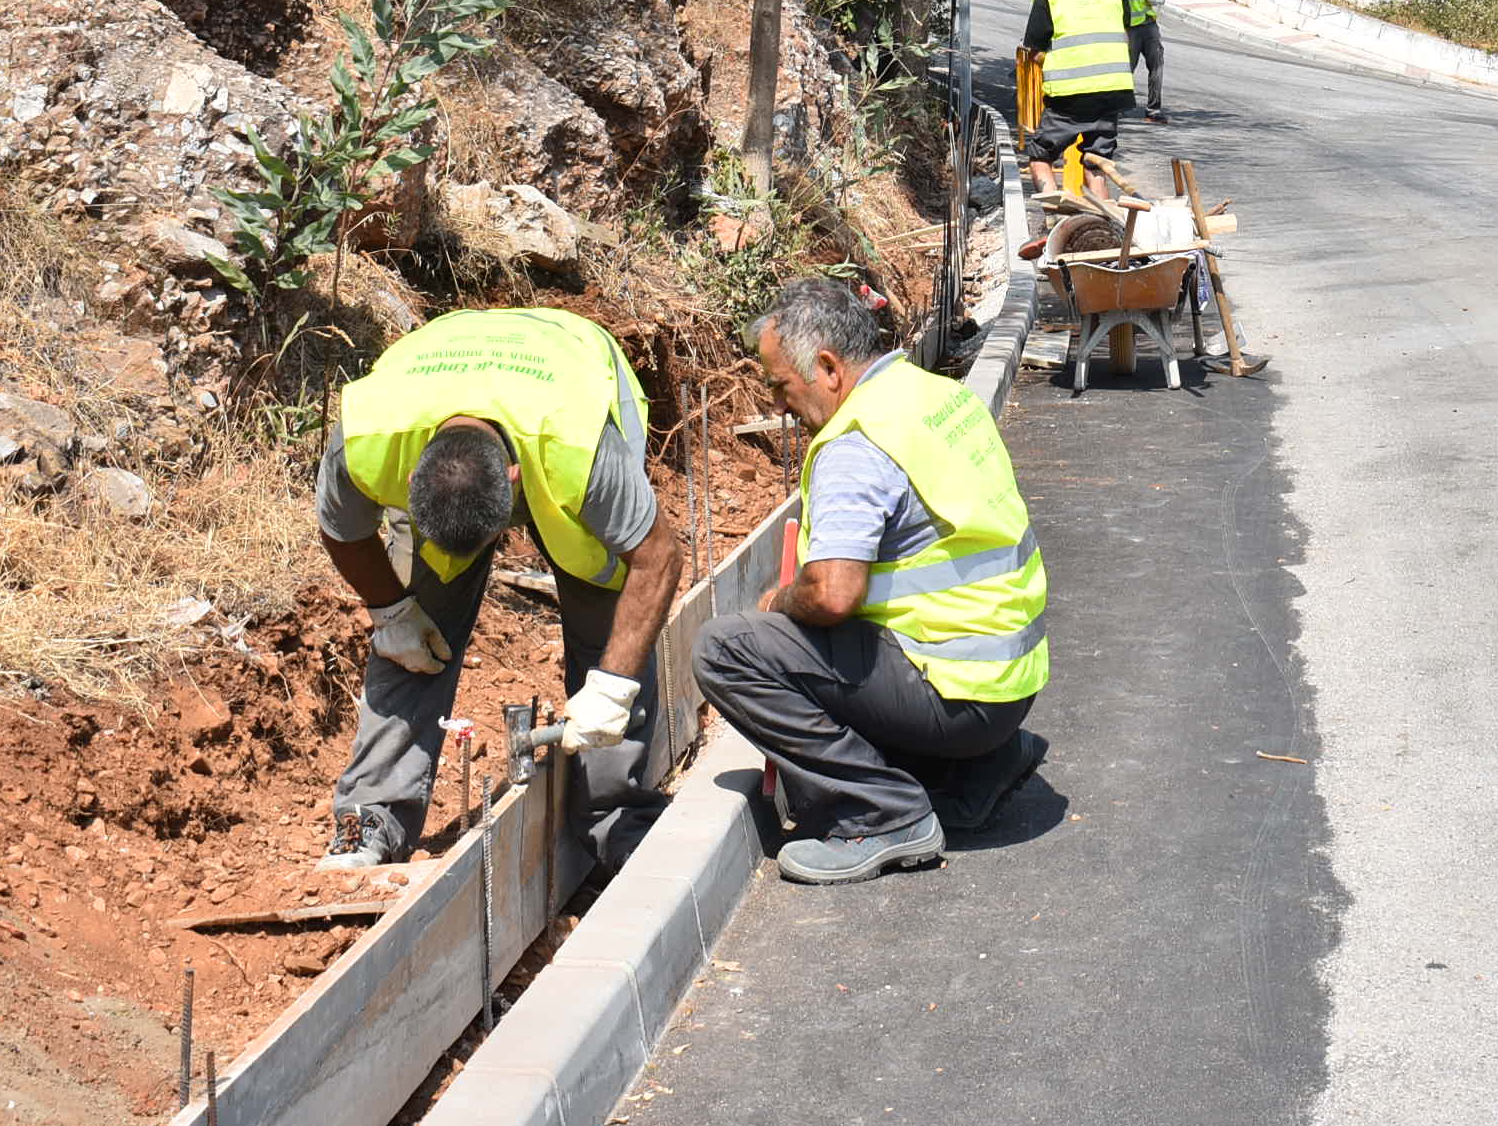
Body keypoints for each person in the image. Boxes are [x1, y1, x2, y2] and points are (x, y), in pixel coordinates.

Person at [694, 278, 1050, 885]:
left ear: (828, 367)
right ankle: (975, 768)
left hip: (954, 692)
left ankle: (883, 815)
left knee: (724, 649)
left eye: (781, 384)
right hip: (1008, 688)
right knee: (836, 651)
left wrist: (780, 604)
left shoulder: (857, 443)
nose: (779, 404)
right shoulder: (936, 396)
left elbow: (834, 593)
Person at [313, 306, 686, 870]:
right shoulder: (367, 436)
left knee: (605, 623)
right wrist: (392, 612)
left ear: (515, 485)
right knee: (417, 638)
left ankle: (617, 816)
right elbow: (341, 527)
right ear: (412, 480)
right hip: (450, 367)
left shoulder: (582, 448)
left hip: (574, 374)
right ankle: (371, 817)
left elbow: (657, 558)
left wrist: (610, 687)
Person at [1019, 0, 1135, 196]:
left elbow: (1034, 51)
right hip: (1112, 91)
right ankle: (1104, 225)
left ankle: (1053, 217)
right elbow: (1124, 34)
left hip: (1069, 97)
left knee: (1040, 156)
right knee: (1096, 162)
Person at [1118, 0, 1167, 123]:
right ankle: (1118, 107)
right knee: (1125, 68)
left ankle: (1153, 110)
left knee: (1157, 66)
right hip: (1129, 28)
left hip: (1149, 26)